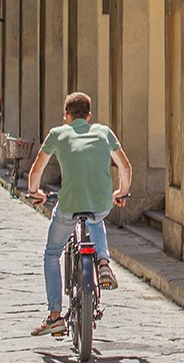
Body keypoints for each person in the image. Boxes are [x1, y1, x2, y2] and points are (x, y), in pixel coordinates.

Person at [27, 92, 132, 336]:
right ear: (89, 115)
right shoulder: (104, 132)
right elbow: (125, 167)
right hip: (101, 202)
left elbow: (36, 171)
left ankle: (55, 316)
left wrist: (35, 192)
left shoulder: (57, 134)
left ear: (67, 116)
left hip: (69, 204)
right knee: (96, 215)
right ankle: (103, 262)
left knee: (52, 254)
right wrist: (122, 192)